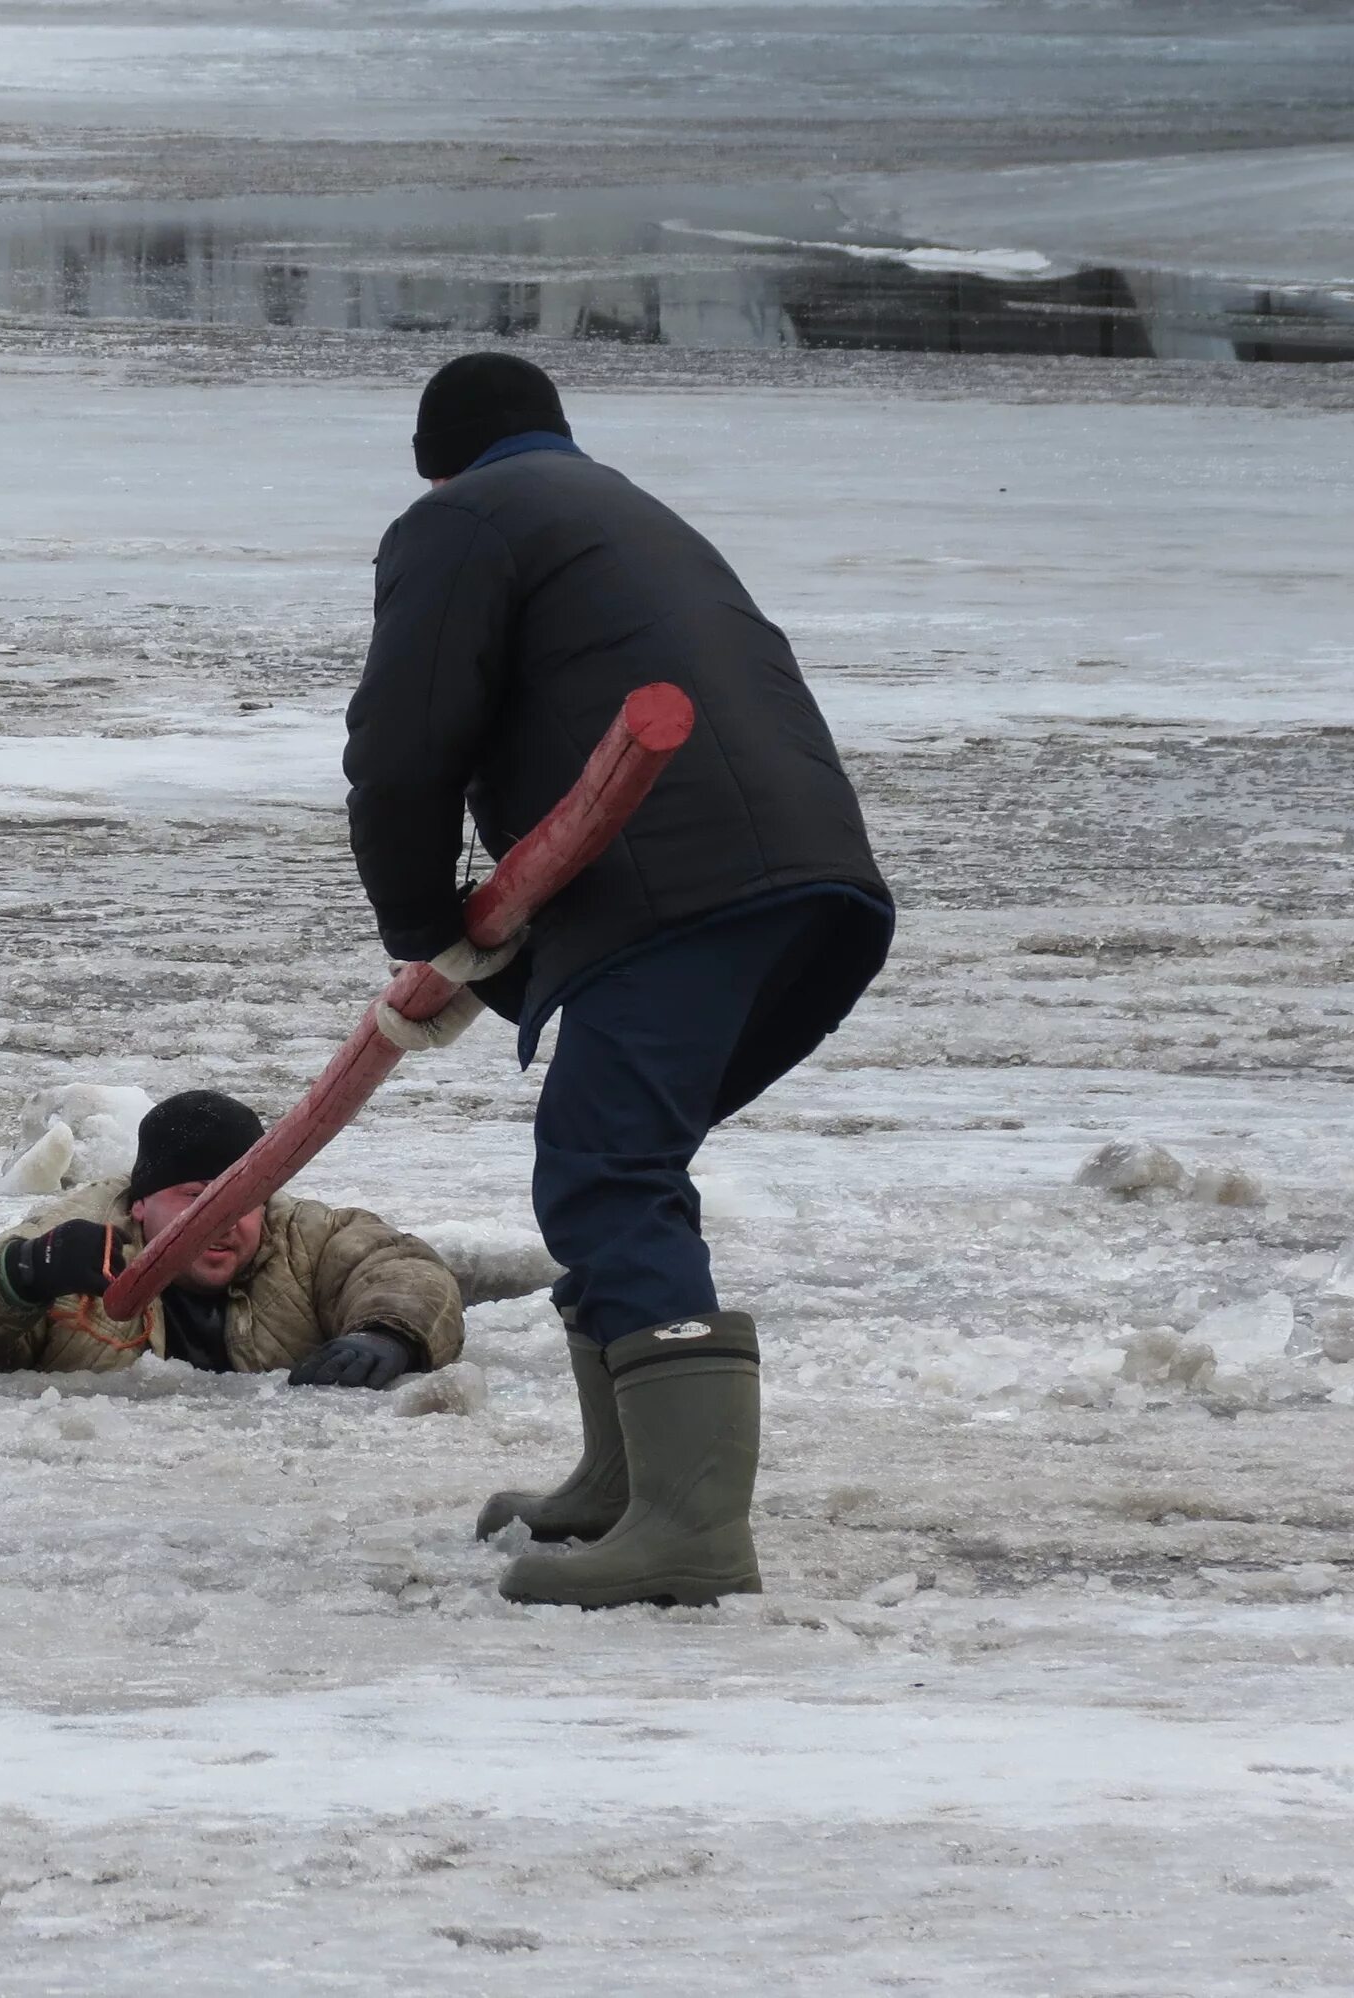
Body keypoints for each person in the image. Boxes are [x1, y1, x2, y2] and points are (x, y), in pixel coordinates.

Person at [344, 352, 893, 1608]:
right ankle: (624, 1484)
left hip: (687, 881)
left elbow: (406, 744)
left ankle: (690, 1531)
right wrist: (499, 958)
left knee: (607, 1168)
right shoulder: (624, 513)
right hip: (810, 883)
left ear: (435, 459)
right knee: (621, 1158)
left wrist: (425, 929)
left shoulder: (461, 518)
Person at [0, 1090, 464, 1384]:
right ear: (142, 1202)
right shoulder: (73, 1239)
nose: (221, 1219)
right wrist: (20, 1275)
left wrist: (389, 1336)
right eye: (196, 1198)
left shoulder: (304, 1236)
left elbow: (401, 1267)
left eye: (238, 1199)